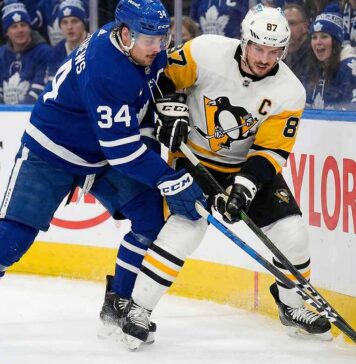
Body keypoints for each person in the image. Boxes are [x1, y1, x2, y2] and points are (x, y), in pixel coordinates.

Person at [120, 4, 333, 350]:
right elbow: (161, 81)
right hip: (194, 159)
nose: (265, 58)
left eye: (274, 51)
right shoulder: (204, 51)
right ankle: (138, 309)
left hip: (245, 165)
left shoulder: (289, 91)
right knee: (185, 229)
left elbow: (271, 152)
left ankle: (292, 307)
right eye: (259, 48)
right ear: (244, 40)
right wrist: (170, 110)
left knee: (292, 231)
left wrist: (244, 190)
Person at [0, 0, 206, 346]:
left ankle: (118, 305)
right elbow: (124, 151)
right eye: (149, 40)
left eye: (162, 38)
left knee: (150, 217)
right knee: (12, 240)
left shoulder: (135, 46)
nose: (157, 49)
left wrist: (169, 105)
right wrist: (170, 179)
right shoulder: (105, 70)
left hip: (100, 152)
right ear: (125, 35)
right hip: (52, 149)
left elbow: (151, 86)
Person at [0, 2, 51, 104]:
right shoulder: (1, 54)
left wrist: (17, 114)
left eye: (23, 25)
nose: (20, 30)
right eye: (14, 27)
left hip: (29, 114)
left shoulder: (44, 52)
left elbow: (39, 90)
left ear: (29, 27)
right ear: (6, 32)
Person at [304, 11, 356, 109]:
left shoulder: (349, 68)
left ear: (336, 41)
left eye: (324, 36)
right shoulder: (313, 68)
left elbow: (350, 113)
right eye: (314, 37)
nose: (318, 42)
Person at [47, 0, 88, 80]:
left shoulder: (96, 46)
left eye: (74, 21)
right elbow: (53, 86)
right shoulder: (56, 52)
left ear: (84, 23)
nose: (69, 27)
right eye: (65, 22)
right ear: (60, 26)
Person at [283, 3, 311, 82]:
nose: (286, 29)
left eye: (292, 23)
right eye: (283, 24)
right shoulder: (277, 53)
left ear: (305, 27)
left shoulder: (314, 56)